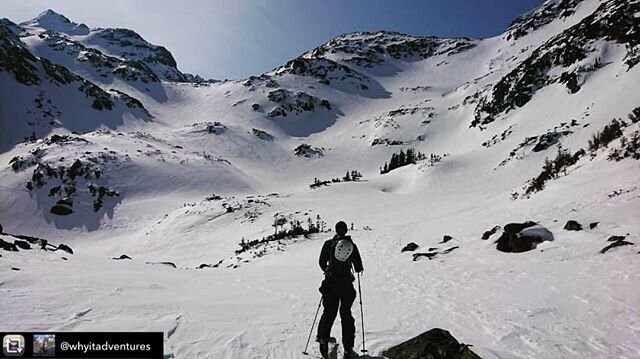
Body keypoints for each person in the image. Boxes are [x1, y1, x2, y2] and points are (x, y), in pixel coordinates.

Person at [316, 221, 363, 359]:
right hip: (346, 285)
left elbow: (321, 262)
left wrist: (328, 271)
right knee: (346, 314)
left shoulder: (328, 244)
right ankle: (348, 347)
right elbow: (359, 266)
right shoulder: (352, 246)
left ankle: (323, 340)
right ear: (346, 230)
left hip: (330, 284)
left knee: (329, 311)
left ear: (336, 230)